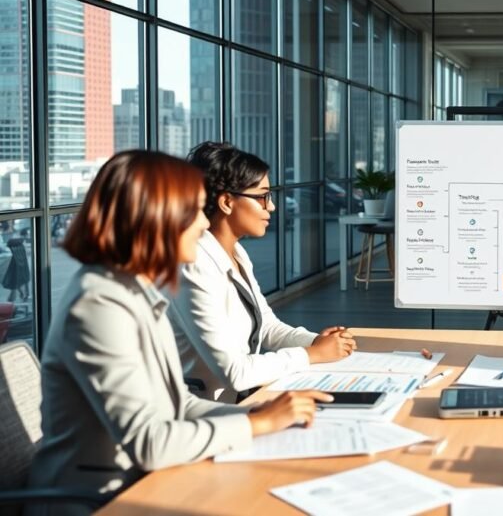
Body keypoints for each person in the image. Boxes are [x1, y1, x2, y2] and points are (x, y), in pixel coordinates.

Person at [28, 151, 330, 515]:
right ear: (156, 218)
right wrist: (259, 424)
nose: (204, 225)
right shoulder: (98, 306)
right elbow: (149, 444)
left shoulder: (136, 291)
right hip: (100, 500)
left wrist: (254, 416)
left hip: (143, 481)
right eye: (194, 212)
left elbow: (178, 405)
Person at [170, 142, 357, 402]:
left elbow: (267, 327)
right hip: (208, 415)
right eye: (262, 197)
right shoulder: (192, 265)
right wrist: (310, 355)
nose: (271, 207)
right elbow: (234, 372)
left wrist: (316, 342)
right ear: (226, 202)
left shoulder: (237, 254)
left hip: (245, 400)